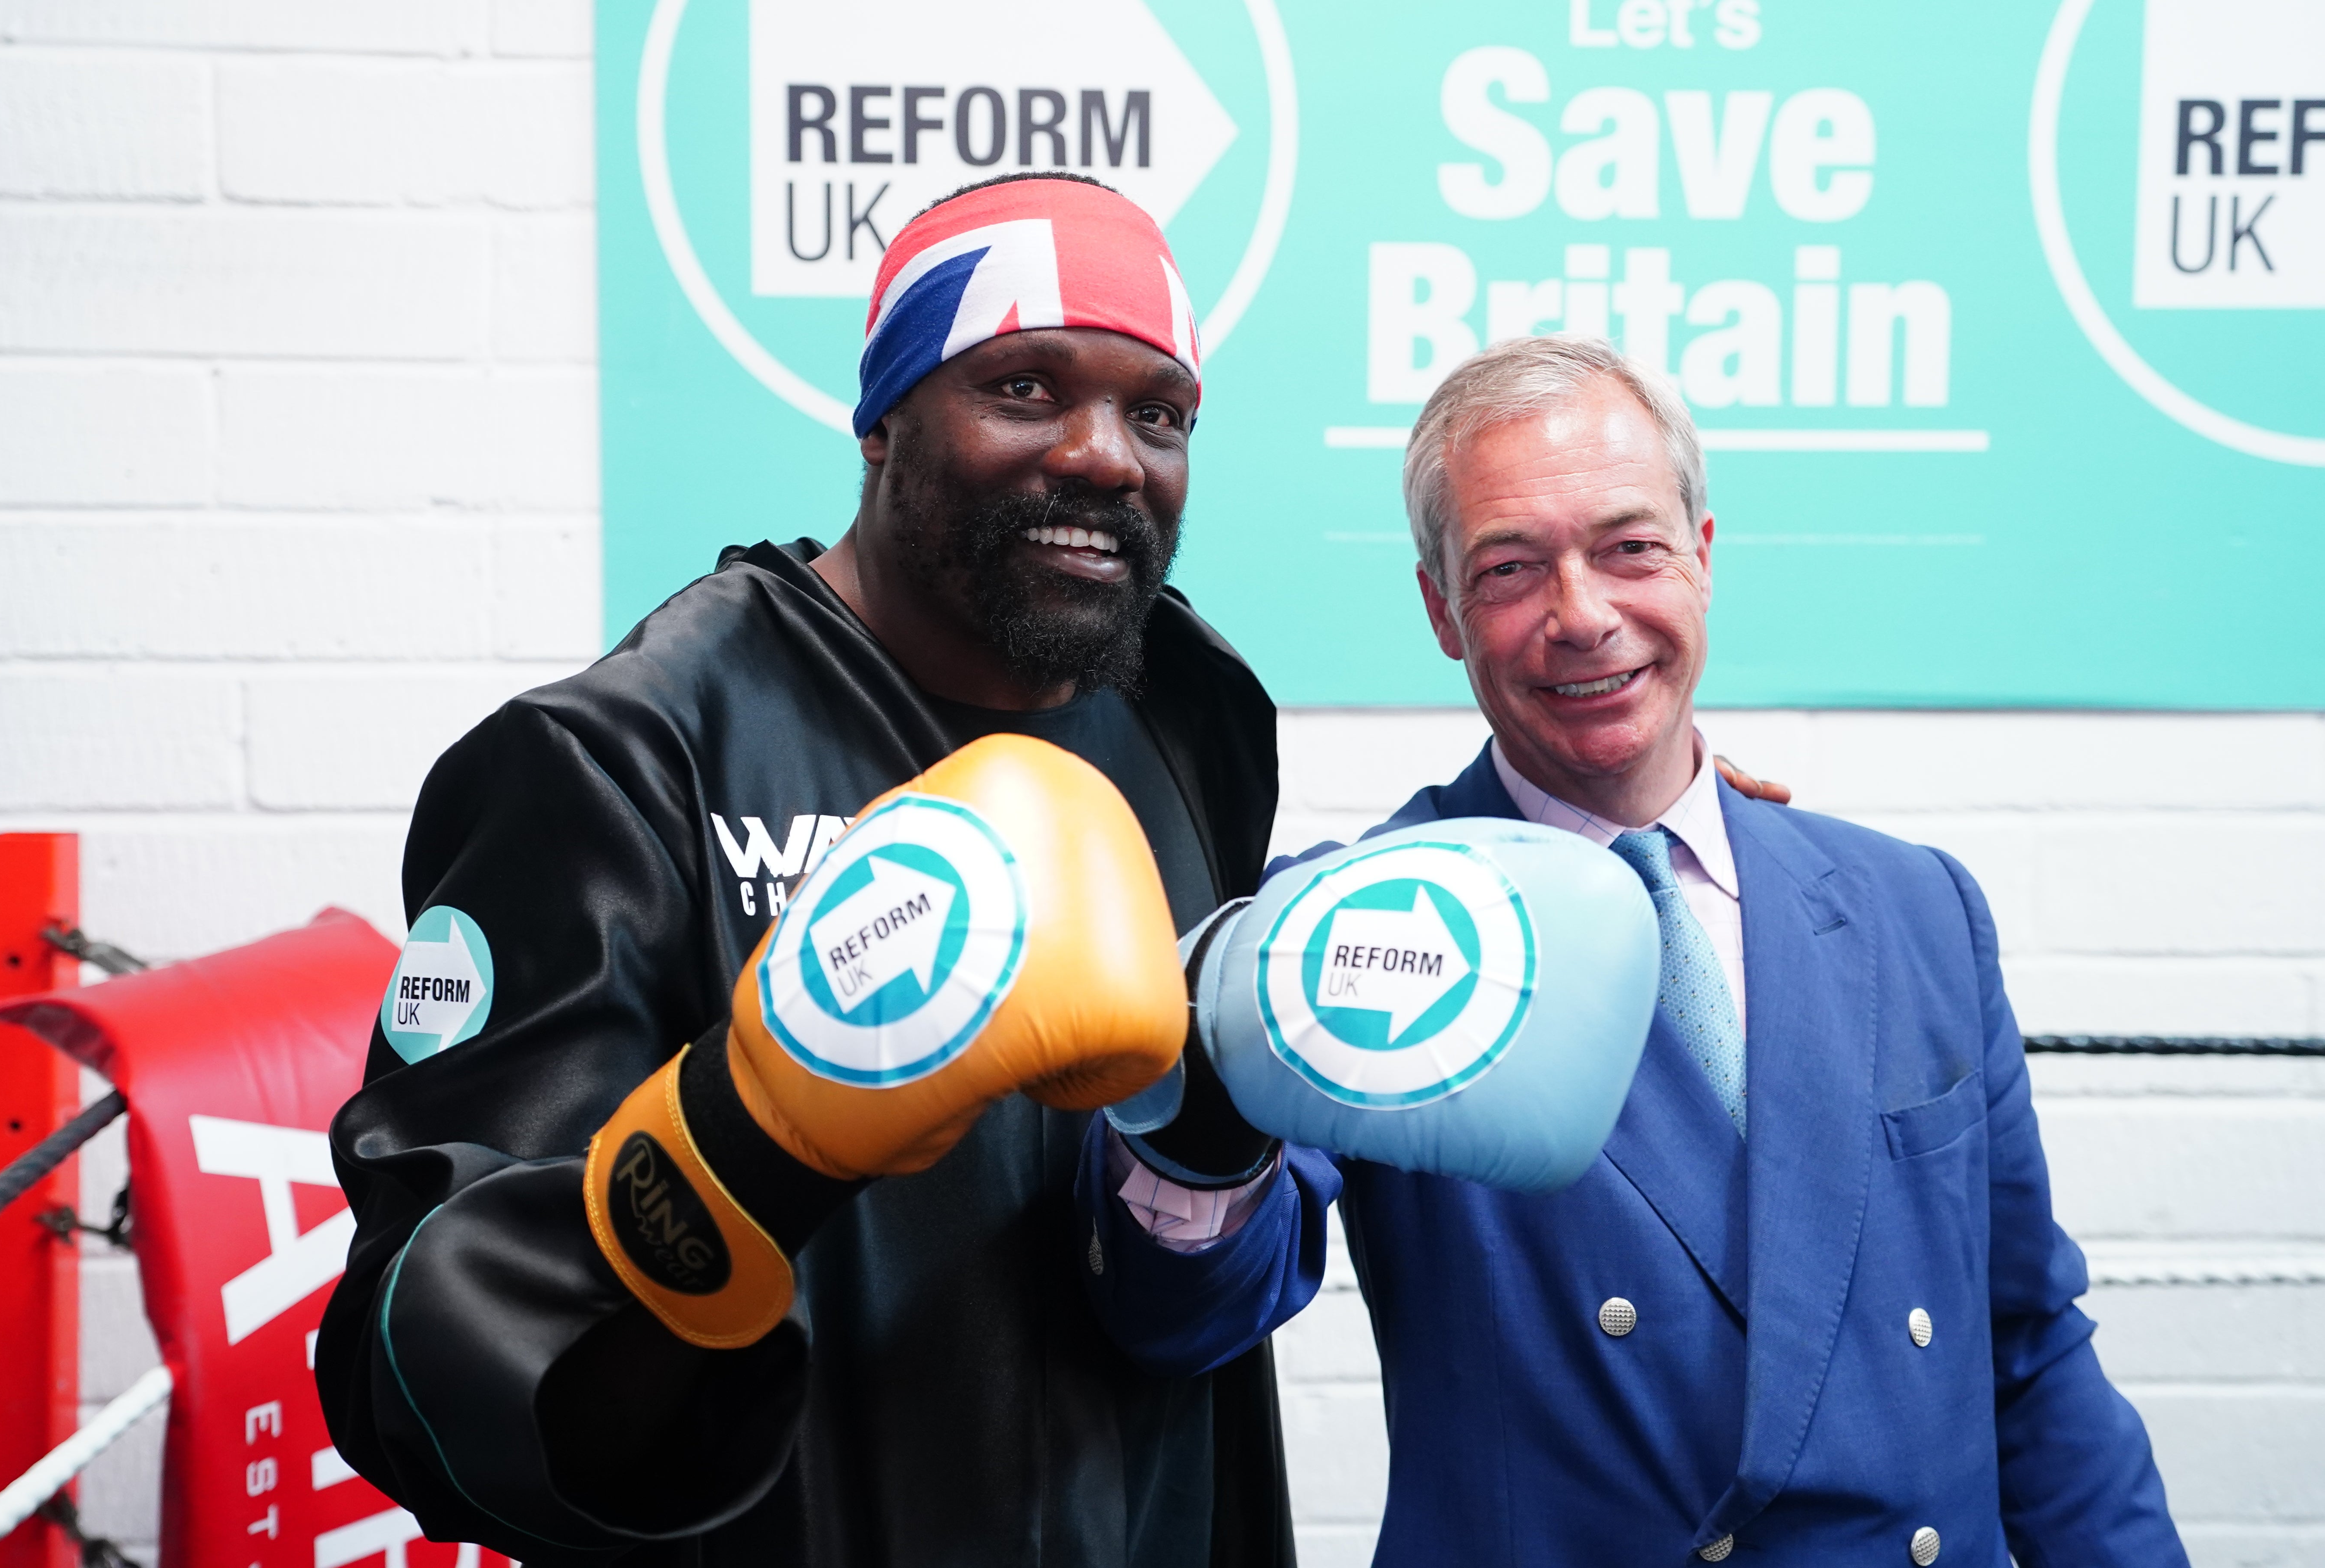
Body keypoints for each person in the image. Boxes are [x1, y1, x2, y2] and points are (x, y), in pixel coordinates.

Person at [317, 173, 1297, 1568]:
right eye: (1025, 387)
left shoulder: (1190, 715)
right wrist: (740, 1152)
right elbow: (407, 1376)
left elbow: (1179, 1269)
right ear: (886, 417)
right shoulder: (625, 752)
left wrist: (1212, 1156)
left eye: (1158, 413)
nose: (1105, 456)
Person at [1078, 336, 2189, 1566]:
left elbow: (2029, 1350)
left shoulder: (1917, 909)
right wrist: (1197, 1106)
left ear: (1702, 558)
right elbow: (1182, 1322)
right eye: (1510, 569)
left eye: (1630, 548)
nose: (1584, 615)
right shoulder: (1362, 924)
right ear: (1443, 612)